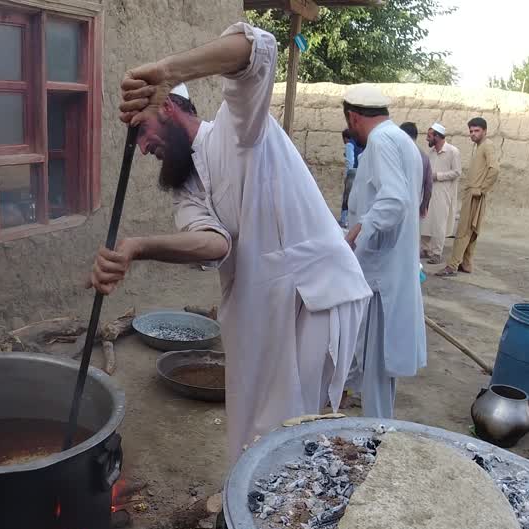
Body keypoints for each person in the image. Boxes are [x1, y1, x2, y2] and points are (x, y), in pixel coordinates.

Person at [87, 21, 372, 464]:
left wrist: (167, 70)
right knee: (255, 428)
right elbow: (216, 245)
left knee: (290, 433)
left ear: (169, 107)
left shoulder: (238, 128)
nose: (142, 149)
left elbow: (259, 48)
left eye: (142, 131)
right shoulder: (186, 189)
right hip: (261, 311)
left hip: (313, 297)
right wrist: (136, 247)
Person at [340, 85, 427, 419]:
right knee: (373, 365)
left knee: (375, 369)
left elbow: (394, 201)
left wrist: (358, 231)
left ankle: (377, 438)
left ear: (354, 117)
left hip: (380, 277)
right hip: (389, 268)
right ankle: (366, 421)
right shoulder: (401, 140)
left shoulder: (380, 141)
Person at [437, 117, 500, 276]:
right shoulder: (479, 147)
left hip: (475, 194)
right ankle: (466, 263)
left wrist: (482, 189)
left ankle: (452, 266)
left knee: (463, 230)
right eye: (471, 131)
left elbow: (494, 169)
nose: (473, 134)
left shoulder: (487, 146)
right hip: (473, 193)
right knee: (471, 230)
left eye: (476, 131)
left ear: (485, 131)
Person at [420, 122, 461, 265]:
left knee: (439, 223)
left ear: (437, 136)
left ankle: (436, 253)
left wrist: (437, 176)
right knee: (425, 219)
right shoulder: (431, 153)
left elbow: (457, 172)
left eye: (429, 136)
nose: (427, 139)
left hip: (443, 193)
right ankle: (425, 249)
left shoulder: (453, 151)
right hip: (429, 191)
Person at [399, 122, 433, 220]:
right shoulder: (424, 156)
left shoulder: (397, 153)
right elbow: (429, 185)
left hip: (396, 205)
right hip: (414, 206)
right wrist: (423, 205)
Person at [340, 129, 362, 227]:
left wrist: (347, 174)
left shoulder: (349, 144)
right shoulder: (360, 144)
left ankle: (344, 219)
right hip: (360, 171)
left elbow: (350, 161)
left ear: (345, 138)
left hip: (352, 172)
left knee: (347, 197)